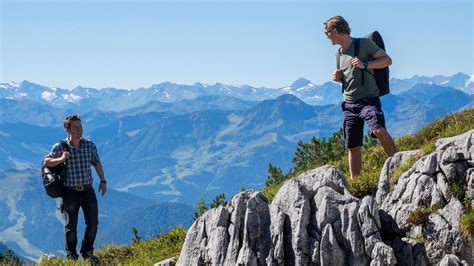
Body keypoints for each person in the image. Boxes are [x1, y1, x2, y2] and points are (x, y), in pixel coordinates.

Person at [324, 16, 397, 180]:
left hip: (369, 100)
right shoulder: (339, 53)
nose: (326, 36)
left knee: (378, 130)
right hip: (349, 104)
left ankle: (398, 164)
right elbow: (350, 75)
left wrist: (366, 64)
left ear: (335, 31)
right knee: (353, 146)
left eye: (327, 32)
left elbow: (387, 60)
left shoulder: (363, 44)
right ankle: (356, 182)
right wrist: (339, 78)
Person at [43, 115, 107, 261]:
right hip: (70, 192)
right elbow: (46, 161)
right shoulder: (60, 147)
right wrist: (61, 159)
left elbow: (96, 162)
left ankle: (87, 252)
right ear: (68, 129)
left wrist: (103, 181)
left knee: (93, 223)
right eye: (76, 127)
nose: (80, 130)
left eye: (81, 126)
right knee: (71, 227)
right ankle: (72, 256)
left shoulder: (89, 145)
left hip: (88, 190)